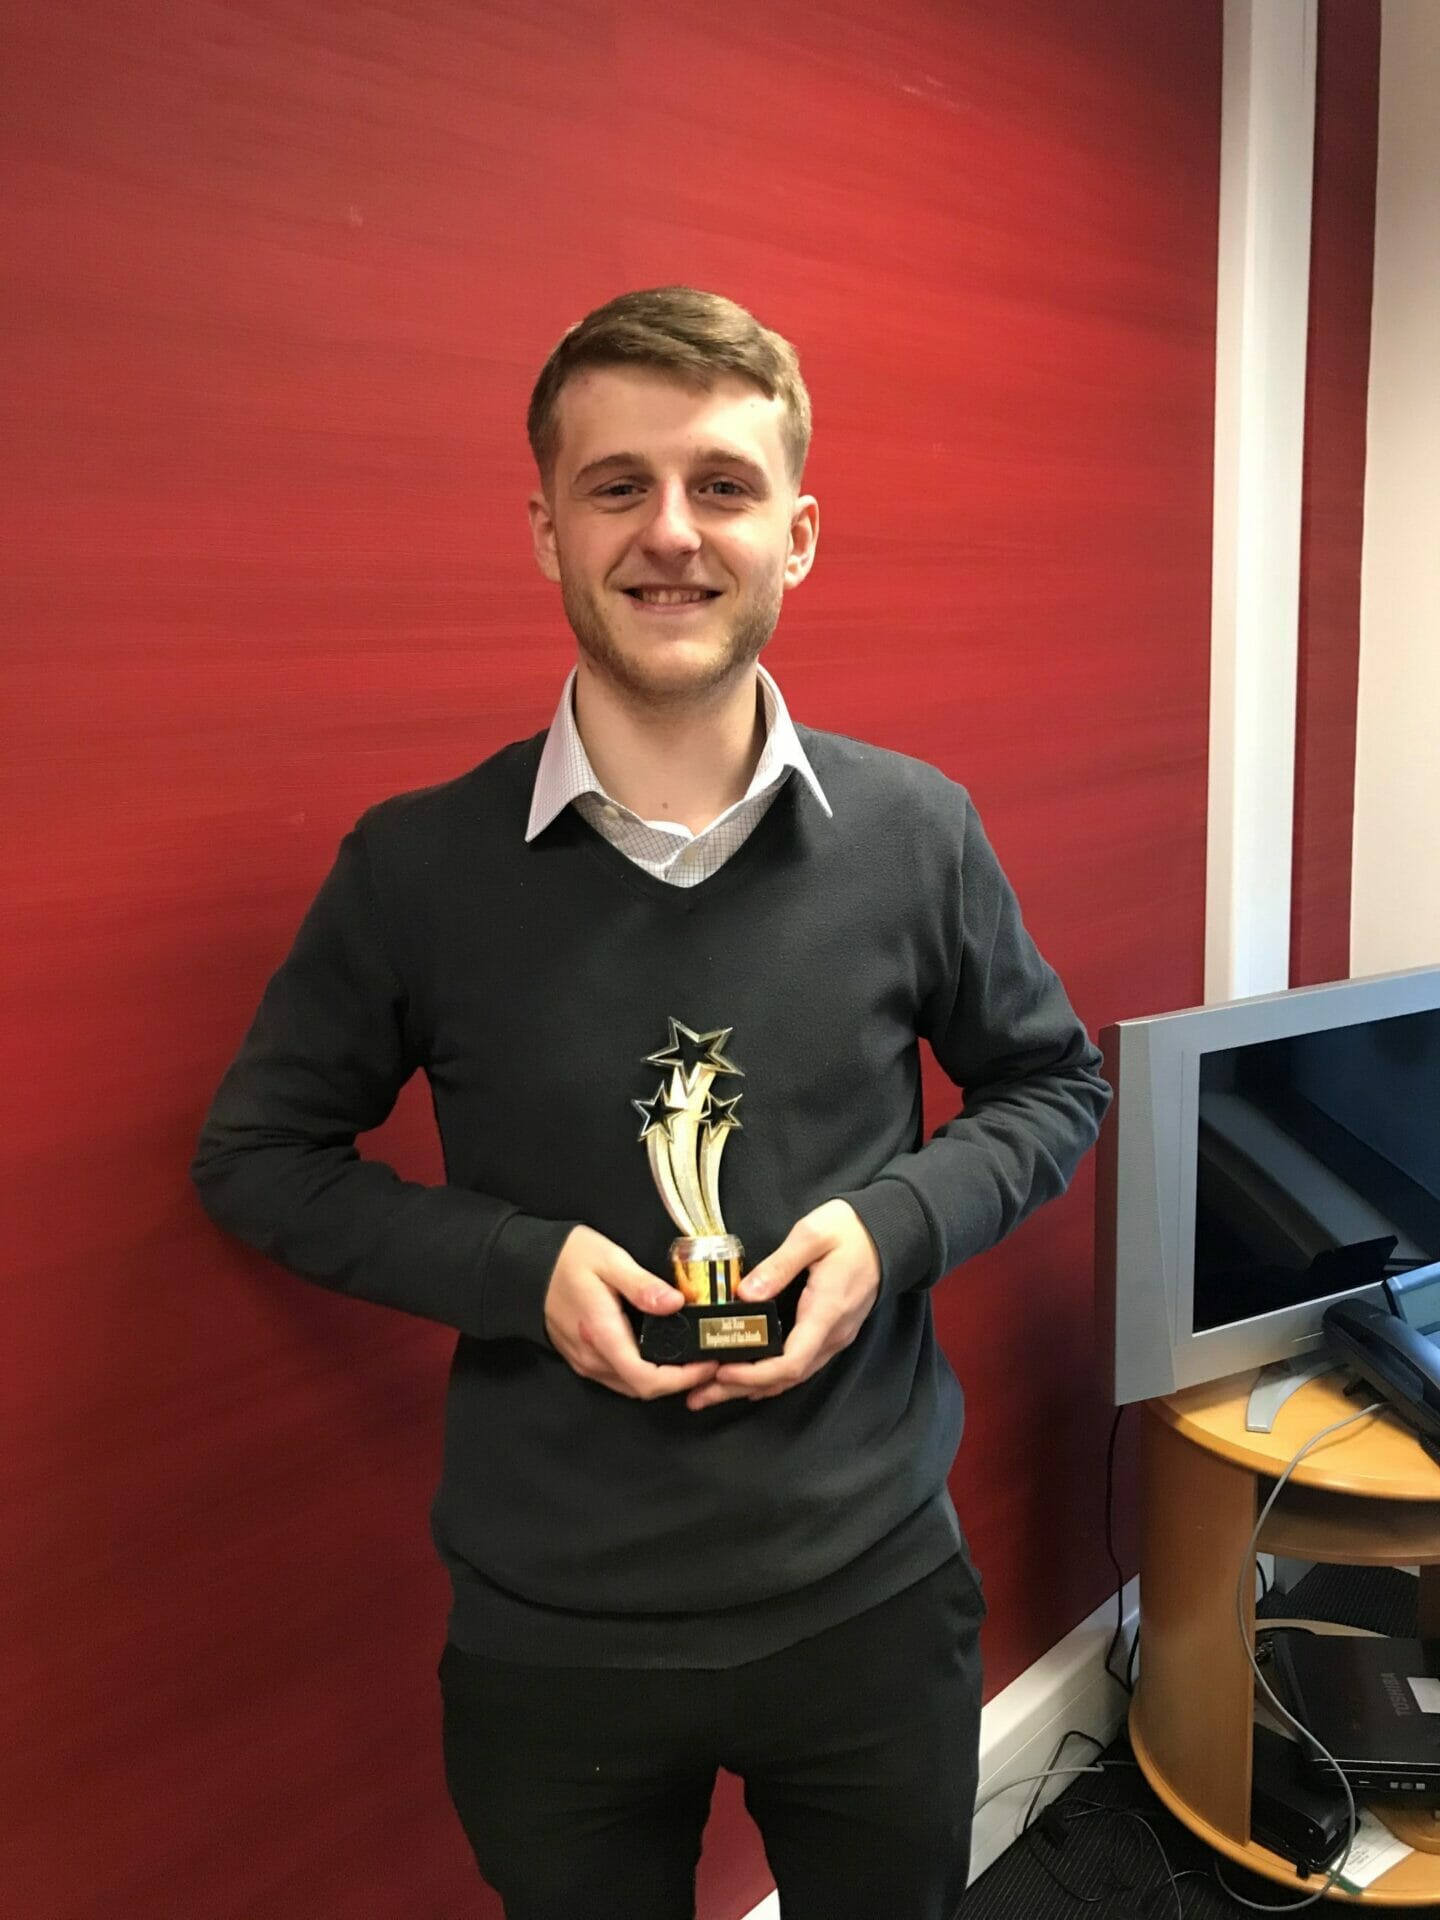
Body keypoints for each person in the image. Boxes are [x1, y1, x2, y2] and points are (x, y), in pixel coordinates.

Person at [192, 285, 1111, 1920]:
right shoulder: (415, 870)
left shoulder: (919, 831)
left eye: (723, 486)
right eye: (617, 485)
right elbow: (259, 1160)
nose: (671, 534)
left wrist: (889, 1229)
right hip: (557, 1637)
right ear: (543, 527)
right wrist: (517, 1270)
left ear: (799, 533)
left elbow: (1052, 1083)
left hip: (876, 1597)